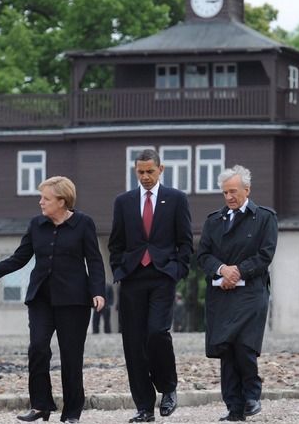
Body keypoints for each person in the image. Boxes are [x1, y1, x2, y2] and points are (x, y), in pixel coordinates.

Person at [0, 176, 105, 424]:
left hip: (74, 301)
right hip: (41, 299)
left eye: (45, 198)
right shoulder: (36, 225)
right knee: (37, 349)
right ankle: (41, 405)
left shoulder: (84, 224)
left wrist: (98, 292)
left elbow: (95, 261)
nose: (40, 202)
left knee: (71, 356)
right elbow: (21, 257)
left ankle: (72, 413)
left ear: (62, 201)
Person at [108, 149, 193, 423]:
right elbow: (116, 243)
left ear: (161, 170)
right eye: (140, 172)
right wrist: (120, 268)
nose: (145, 177)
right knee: (133, 343)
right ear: (135, 171)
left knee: (157, 333)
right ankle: (144, 407)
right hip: (132, 278)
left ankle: (167, 387)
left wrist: (177, 271)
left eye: (150, 172)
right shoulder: (123, 202)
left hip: (162, 277)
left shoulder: (177, 199)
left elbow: (185, 241)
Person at [196, 165, 278, 422]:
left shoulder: (265, 218)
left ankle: (252, 396)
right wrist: (222, 270)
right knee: (226, 349)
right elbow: (203, 255)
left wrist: (238, 272)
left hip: (251, 292)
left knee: (244, 345)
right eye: (224, 193)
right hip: (221, 293)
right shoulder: (213, 221)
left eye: (233, 191)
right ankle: (234, 407)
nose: (229, 197)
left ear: (247, 190)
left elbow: (265, 254)